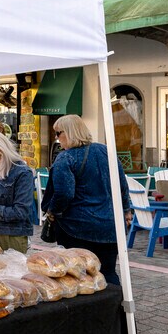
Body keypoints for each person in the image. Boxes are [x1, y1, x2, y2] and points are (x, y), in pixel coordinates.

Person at [41, 114, 132, 285]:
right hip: (110, 226)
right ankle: (114, 309)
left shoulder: (66, 158)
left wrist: (52, 211)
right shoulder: (106, 151)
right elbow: (122, 185)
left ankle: (88, 310)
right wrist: (126, 209)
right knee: (108, 273)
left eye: (58, 133)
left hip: (76, 228)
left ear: (68, 132)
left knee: (78, 275)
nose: (57, 139)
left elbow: (64, 194)